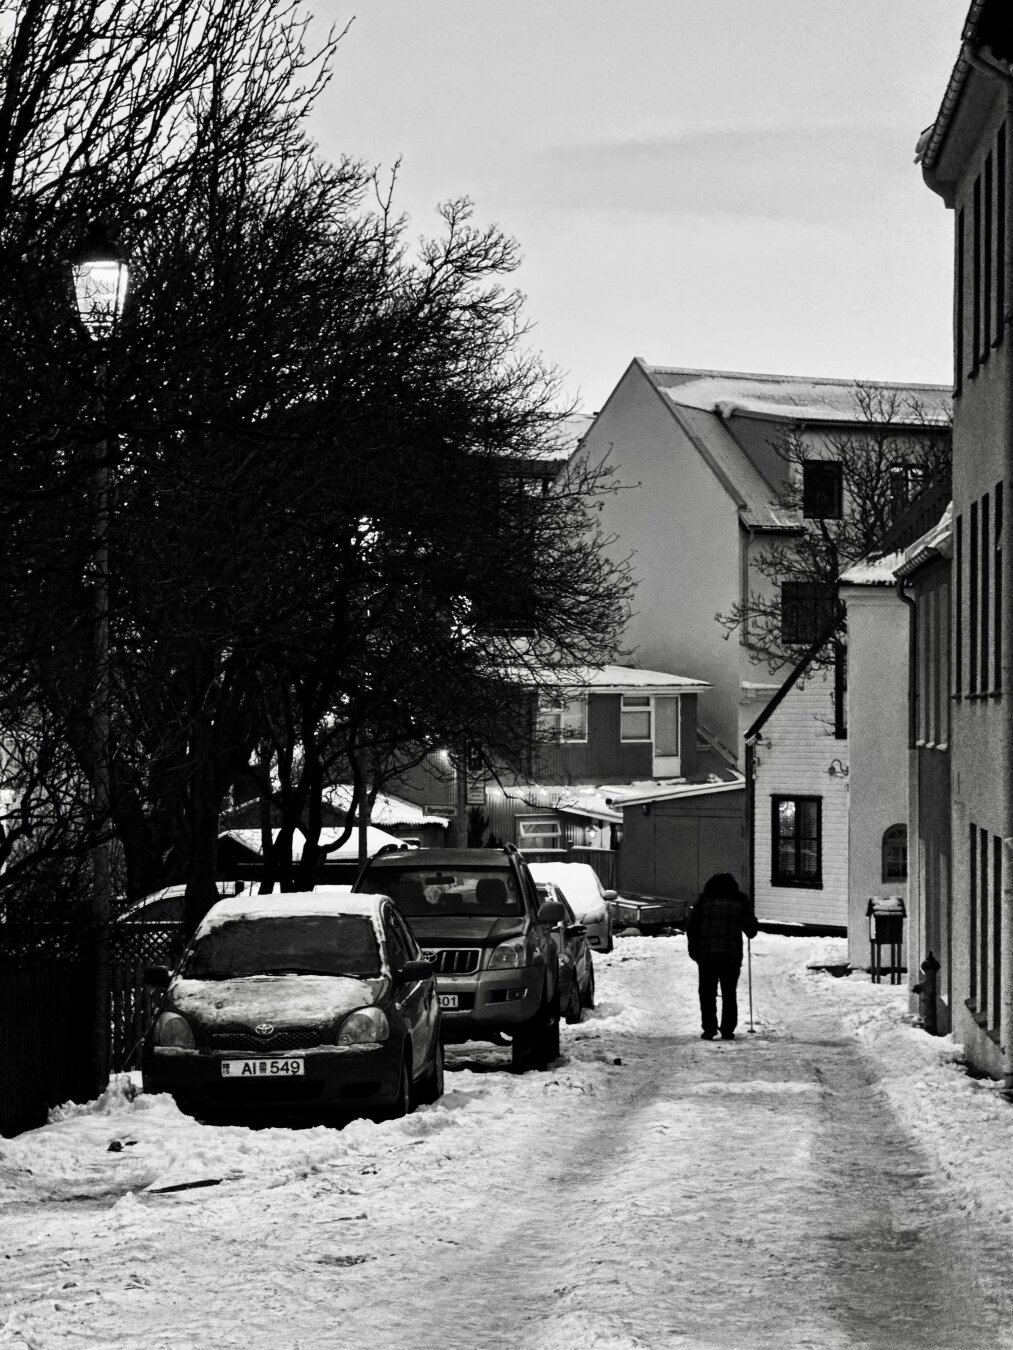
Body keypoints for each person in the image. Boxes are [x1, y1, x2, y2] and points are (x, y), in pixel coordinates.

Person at [685, 873, 758, 1041]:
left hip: (707, 955)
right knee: (729, 992)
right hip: (731, 956)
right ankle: (727, 1029)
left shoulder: (703, 903)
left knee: (707, 992)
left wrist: (694, 949)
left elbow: (691, 927)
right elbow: (751, 931)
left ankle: (709, 1028)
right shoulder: (739, 903)